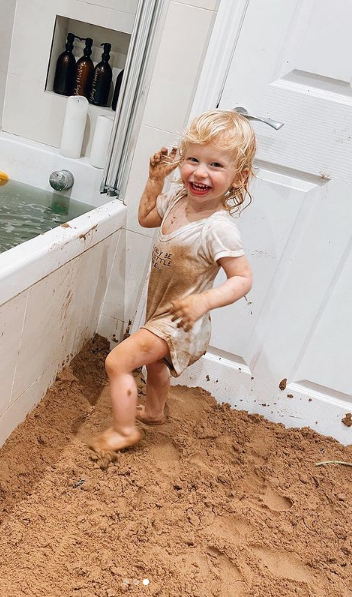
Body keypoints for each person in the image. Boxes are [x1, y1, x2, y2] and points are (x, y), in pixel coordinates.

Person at [89, 109, 256, 458]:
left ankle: (123, 431)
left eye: (215, 165)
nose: (199, 172)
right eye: (193, 159)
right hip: (163, 308)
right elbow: (147, 217)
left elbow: (242, 278)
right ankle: (153, 411)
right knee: (155, 365)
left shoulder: (218, 227)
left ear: (239, 177)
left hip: (183, 321)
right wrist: (155, 180)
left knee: (118, 362)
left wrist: (204, 302)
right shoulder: (179, 200)